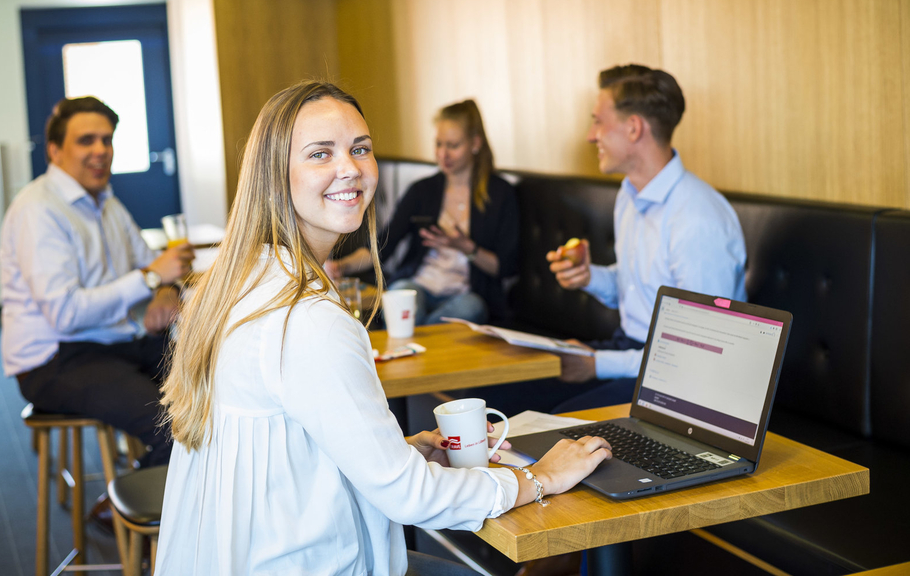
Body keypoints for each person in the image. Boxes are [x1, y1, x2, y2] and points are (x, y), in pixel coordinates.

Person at [155, 82, 612, 575]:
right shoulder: (306, 319)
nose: (350, 167)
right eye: (320, 153)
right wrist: (541, 478)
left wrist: (403, 452)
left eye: (360, 148)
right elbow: (410, 497)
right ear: (274, 176)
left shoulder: (242, 283)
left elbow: (292, 451)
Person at [475, 65, 747, 420]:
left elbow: (700, 353)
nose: (591, 136)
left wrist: (597, 363)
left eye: (598, 122)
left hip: (685, 380)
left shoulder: (698, 219)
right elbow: (640, 285)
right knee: (494, 398)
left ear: (634, 128)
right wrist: (590, 277)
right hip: (633, 350)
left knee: (559, 422)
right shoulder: (629, 194)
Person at [0, 96, 195, 468]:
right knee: (175, 430)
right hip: (55, 360)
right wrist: (153, 278)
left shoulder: (107, 202)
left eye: (107, 140)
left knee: (217, 391)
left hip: (114, 343)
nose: (101, 150)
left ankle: (148, 487)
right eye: (86, 140)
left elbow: (152, 266)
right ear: (55, 151)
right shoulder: (38, 209)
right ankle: (120, 501)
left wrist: (166, 291)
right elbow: (65, 314)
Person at [328, 99, 518, 325]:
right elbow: (383, 246)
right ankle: (426, 335)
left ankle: (418, 337)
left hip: (465, 295)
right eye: (439, 144)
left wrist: (465, 247)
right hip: (418, 284)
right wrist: (341, 266)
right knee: (400, 293)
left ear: (475, 144)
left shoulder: (500, 194)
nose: (443, 154)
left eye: (453, 145)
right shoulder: (422, 191)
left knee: (471, 308)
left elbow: (506, 267)